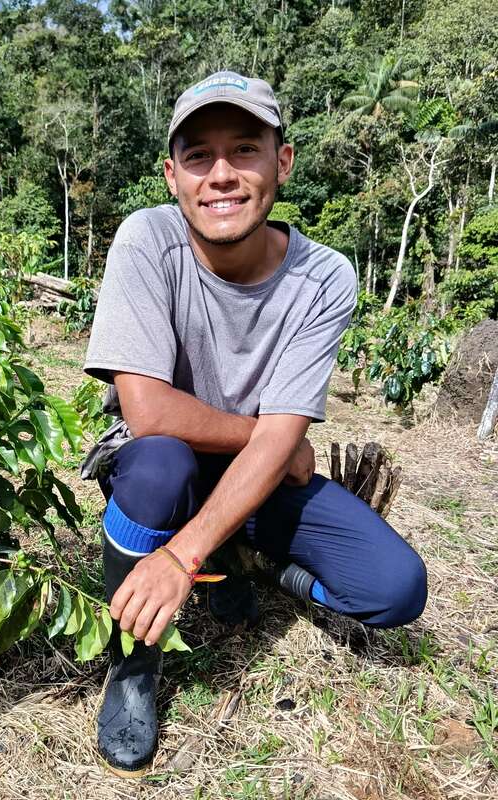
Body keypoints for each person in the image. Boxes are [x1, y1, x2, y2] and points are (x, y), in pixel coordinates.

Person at [80, 71, 428, 778]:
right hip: (167, 465)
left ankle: (257, 563)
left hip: (259, 480)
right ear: (173, 175)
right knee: (158, 463)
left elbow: (278, 443)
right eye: (200, 156)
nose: (223, 175)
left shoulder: (324, 276)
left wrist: (190, 550)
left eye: (245, 149)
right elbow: (147, 409)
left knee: (395, 589)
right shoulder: (148, 240)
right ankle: (133, 666)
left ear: (283, 162)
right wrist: (273, 438)